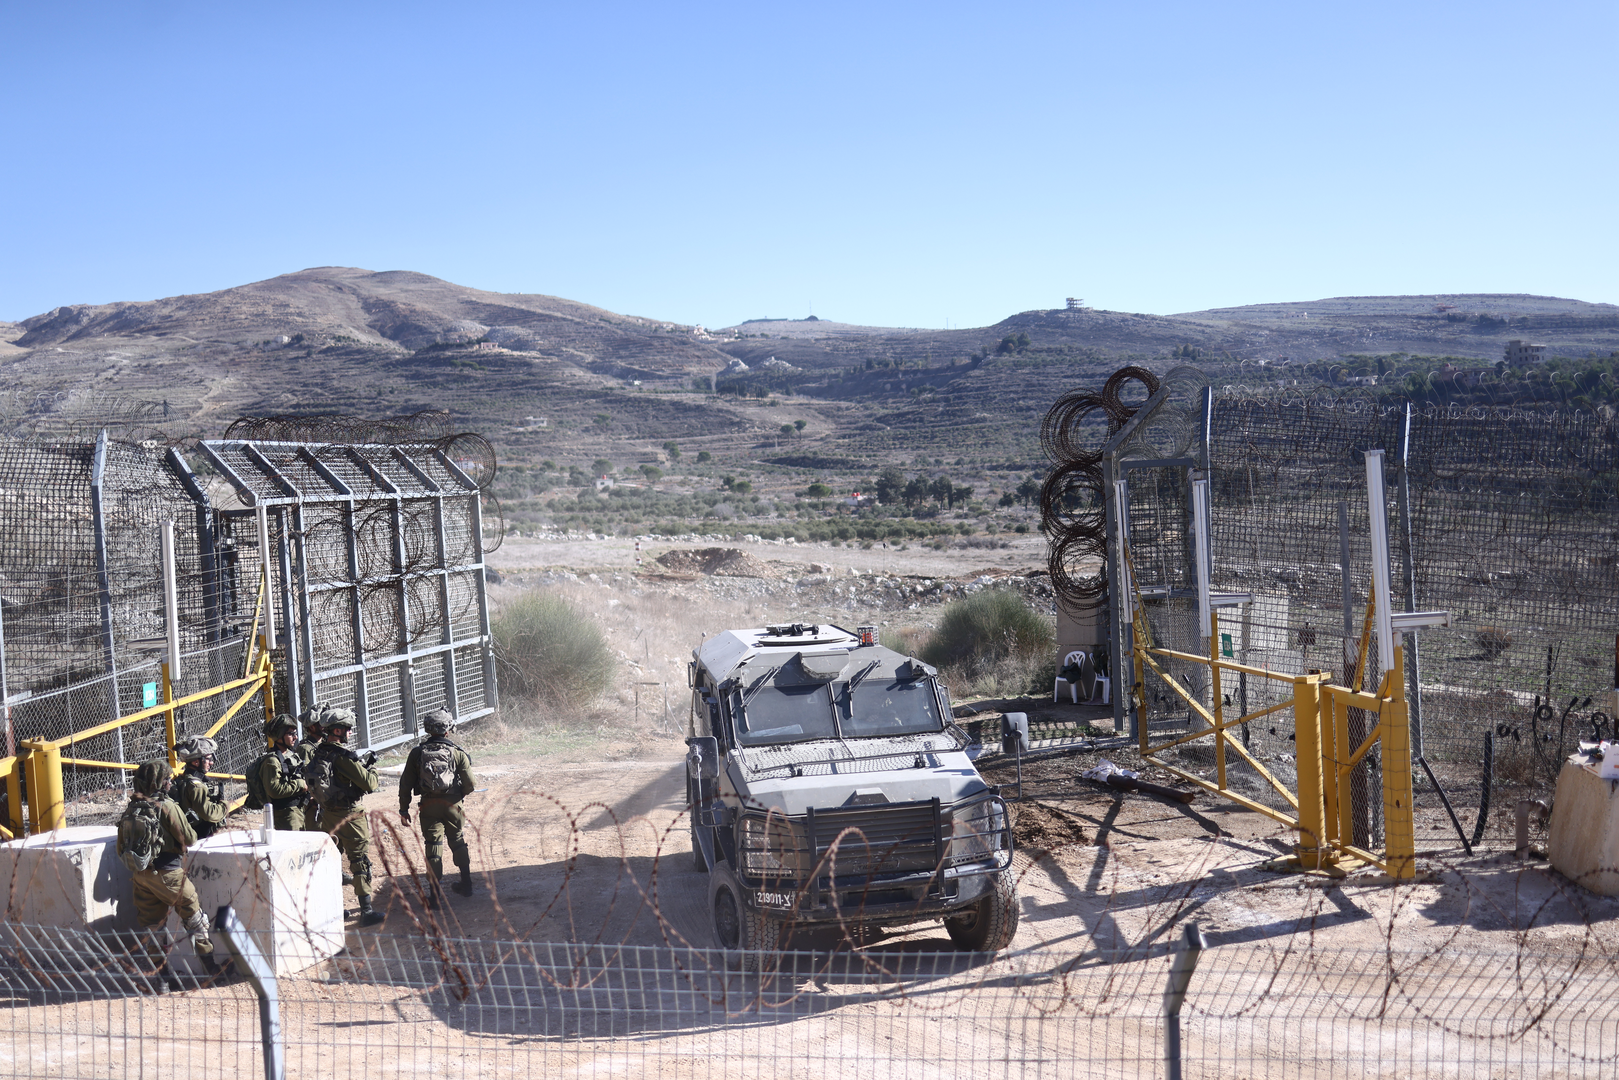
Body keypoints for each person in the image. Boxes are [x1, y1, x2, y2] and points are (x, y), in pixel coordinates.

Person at [117, 760, 218, 992]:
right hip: (170, 875)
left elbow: (120, 847)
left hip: (141, 877)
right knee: (195, 919)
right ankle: (212, 970)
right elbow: (189, 839)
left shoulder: (132, 808)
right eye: (168, 778)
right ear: (160, 782)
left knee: (153, 927)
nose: (171, 781)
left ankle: (162, 979)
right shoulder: (167, 806)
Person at [309, 708, 385, 926]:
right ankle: (367, 911)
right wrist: (372, 770)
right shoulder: (343, 757)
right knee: (360, 861)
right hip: (350, 817)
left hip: (327, 815)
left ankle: (333, 909)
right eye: (348, 729)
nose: (350, 733)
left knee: (332, 862)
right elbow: (369, 783)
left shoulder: (319, 752)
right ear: (338, 730)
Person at [398, 709, 477, 904]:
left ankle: (434, 896)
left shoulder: (417, 753)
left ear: (428, 729)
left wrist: (403, 809)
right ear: (448, 729)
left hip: (429, 805)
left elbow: (405, 784)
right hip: (453, 805)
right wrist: (457, 796)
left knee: (433, 845)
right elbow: (471, 784)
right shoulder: (457, 753)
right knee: (458, 841)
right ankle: (466, 885)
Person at [255, 715, 311, 830]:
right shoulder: (272, 761)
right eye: (290, 734)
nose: (295, 737)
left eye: (295, 733)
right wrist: (300, 784)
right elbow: (274, 790)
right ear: (279, 736)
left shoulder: (291, 755)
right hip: (287, 814)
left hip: (299, 810)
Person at [170, 735, 229, 840]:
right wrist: (224, 806)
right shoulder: (196, 786)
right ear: (196, 762)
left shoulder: (182, 779)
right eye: (208, 759)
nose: (211, 762)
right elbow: (209, 813)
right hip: (197, 836)